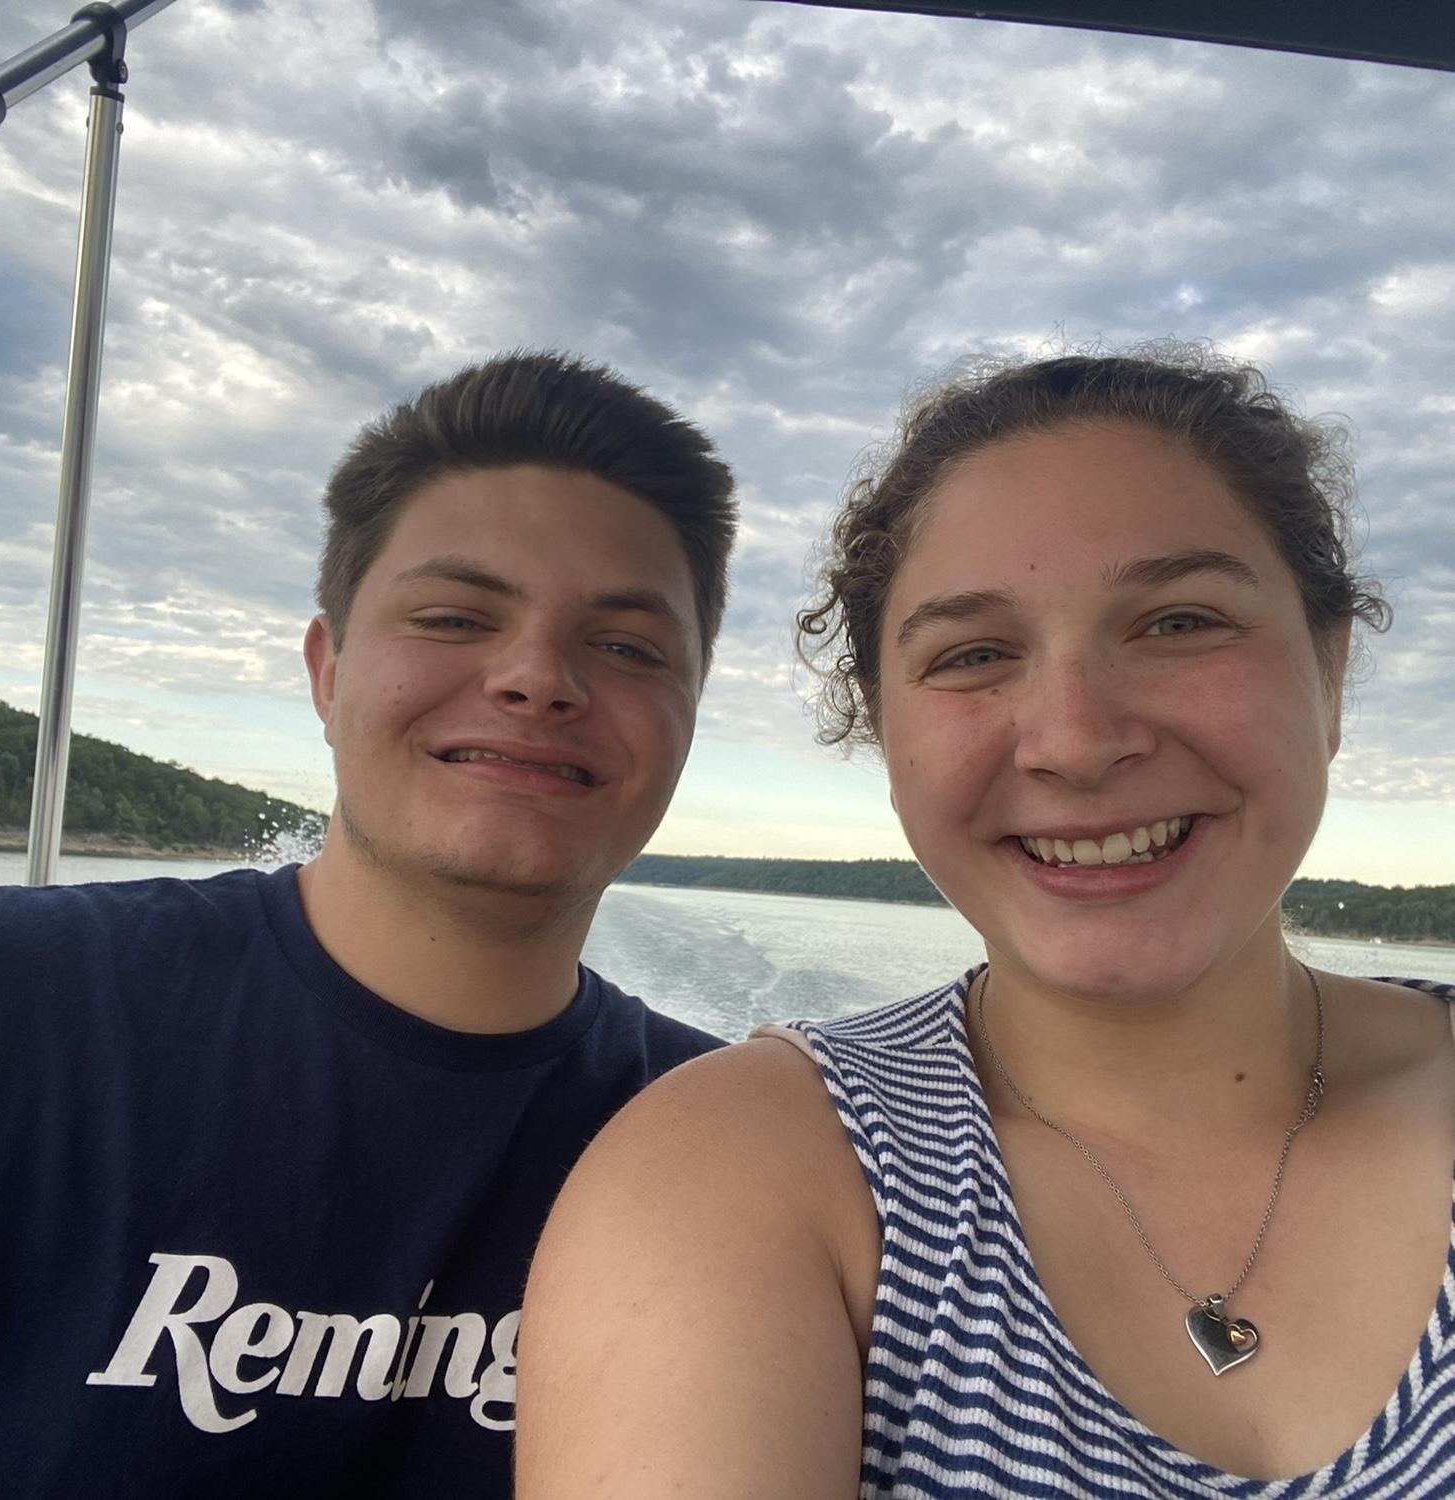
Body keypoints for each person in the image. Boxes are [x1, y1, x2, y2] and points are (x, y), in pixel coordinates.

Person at [517, 346, 1455, 1497]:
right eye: (973, 655)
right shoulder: (733, 1182)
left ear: (1330, 670)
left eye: (1178, 623)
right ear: (885, 733)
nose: (1075, 740)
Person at [0, 351, 737, 1497]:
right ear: (328, 673)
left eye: (626, 646)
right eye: (455, 617)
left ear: (688, 714)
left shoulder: (731, 1151)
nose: (537, 678)